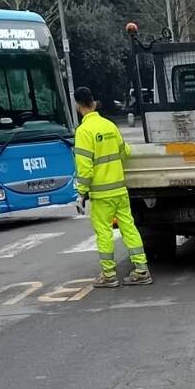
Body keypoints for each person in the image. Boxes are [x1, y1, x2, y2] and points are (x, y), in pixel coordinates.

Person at [72, 87, 152, 288]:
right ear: (93, 102)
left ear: (78, 105)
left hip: (101, 194)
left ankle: (108, 275)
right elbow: (125, 152)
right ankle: (141, 270)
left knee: (104, 233)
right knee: (129, 228)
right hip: (120, 191)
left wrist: (81, 192)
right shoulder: (110, 125)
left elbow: (85, 168)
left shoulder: (84, 131)